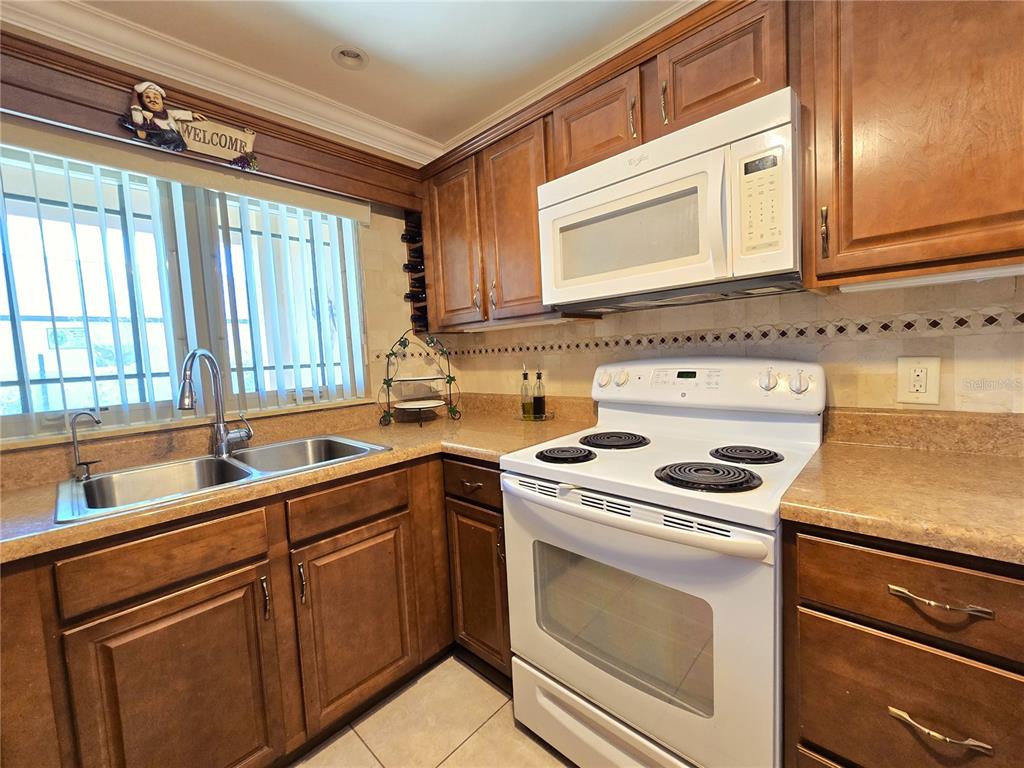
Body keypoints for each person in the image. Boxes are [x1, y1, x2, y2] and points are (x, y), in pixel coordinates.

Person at [123, 81, 204, 152]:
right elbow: (138, 118)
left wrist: (192, 115)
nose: (152, 100)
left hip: (177, 141)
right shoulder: (147, 116)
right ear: (143, 101)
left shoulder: (169, 114)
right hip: (162, 140)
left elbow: (179, 114)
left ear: (161, 100)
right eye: (147, 97)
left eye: (156, 97)